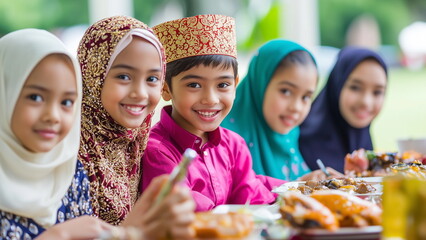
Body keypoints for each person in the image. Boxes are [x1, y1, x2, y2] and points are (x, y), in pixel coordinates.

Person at [142, 14, 286, 212]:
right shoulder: (157, 152)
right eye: (194, 84)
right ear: (165, 88)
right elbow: (187, 211)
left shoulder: (234, 145)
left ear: (235, 85)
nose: (210, 99)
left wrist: (298, 190)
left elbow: (249, 196)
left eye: (222, 85)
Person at [77, 16, 195, 238]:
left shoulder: (135, 142)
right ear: (93, 74)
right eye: (123, 76)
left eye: (152, 79)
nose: (140, 93)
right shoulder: (72, 152)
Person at [0, 28, 116, 239]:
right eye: (35, 97)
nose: (53, 116)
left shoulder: (68, 170)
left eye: (66, 102)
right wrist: (59, 235)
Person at [221, 40, 343, 181]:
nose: (296, 107)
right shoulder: (223, 140)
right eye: (285, 91)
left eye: (305, 97)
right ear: (260, 83)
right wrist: (296, 186)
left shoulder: (289, 136)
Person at [299, 46, 388, 173]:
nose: (366, 102)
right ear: (337, 85)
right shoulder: (298, 142)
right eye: (355, 87)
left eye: (377, 92)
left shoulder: (365, 146)